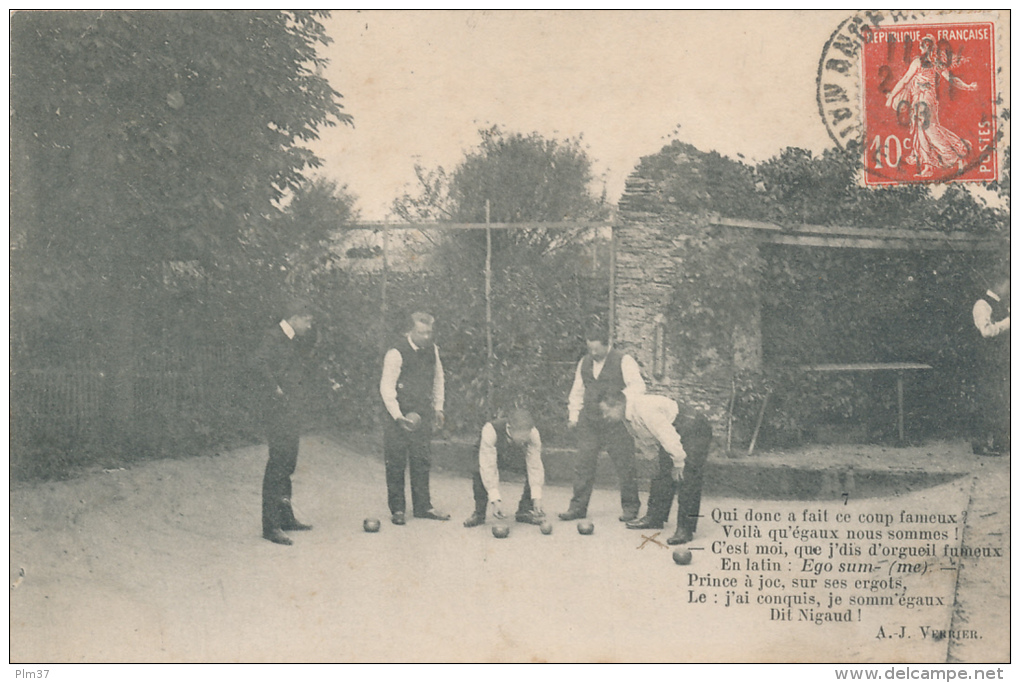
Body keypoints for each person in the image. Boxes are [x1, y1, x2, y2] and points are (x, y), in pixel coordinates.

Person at [598, 390, 713, 546]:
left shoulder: (644, 408)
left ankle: (685, 529)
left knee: (687, 475)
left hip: (693, 426)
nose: (605, 417)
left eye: (606, 412)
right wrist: (652, 459)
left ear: (618, 404)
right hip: (673, 429)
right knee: (661, 472)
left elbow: (666, 434)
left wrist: (679, 461)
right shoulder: (627, 416)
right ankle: (655, 517)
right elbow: (644, 438)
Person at [559, 323, 646, 523]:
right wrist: (573, 416)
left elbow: (639, 387)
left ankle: (631, 507)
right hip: (589, 421)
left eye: (597, 349)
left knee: (625, 465)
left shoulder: (624, 361)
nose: (593, 353)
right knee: (583, 464)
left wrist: (619, 401)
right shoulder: (584, 362)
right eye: (590, 349)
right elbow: (578, 390)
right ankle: (577, 507)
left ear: (607, 345)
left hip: (615, 422)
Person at [254, 298, 318, 546]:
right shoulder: (274, 336)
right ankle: (270, 526)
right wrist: (275, 388)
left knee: (288, 463)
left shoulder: (293, 339)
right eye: (307, 320)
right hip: (278, 411)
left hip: (291, 410)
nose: (310, 326)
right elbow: (258, 363)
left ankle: (285, 517)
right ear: (294, 318)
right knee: (278, 464)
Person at [380, 311, 450, 524]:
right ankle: (398, 509)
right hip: (398, 415)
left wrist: (438, 407)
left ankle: (423, 506)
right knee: (396, 462)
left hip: (422, 414)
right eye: (421, 332)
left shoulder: (433, 350)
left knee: (421, 461)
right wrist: (398, 416)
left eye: (429, 332)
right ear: (410, 331)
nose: (426, 337)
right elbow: (386, 388)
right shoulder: (395, 353)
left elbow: (439, 379)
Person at [885, 34, 978, 178]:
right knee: (925, 129)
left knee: (927, 130)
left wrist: (891, 96)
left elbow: (904, 81)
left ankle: (951, 155)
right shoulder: (936, 62)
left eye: (922, 46)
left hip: (922, 101)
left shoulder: (918, 62)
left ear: (922, 47)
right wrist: (968, 87)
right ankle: (930, 163)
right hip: (930, 101)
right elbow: (952, 79)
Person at [463, 408, 546, 528]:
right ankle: (479, 514)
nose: (525, 439)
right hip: (487, 454)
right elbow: (488, 466)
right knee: (479, 470)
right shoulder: (490, 430)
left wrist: (536, 497)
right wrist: (495, 499)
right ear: (510, 428)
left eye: (526, 435)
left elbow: (535, 466)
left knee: (532, 467)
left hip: (513, 454)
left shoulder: (533, 434)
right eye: (522, 435)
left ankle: (525, 510)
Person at [971, 275, 1010, 455]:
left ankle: (1001, 443)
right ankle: (981, 444)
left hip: (1001, 362)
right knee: (986, 401)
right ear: (998, 283)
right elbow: (986, 331)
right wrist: (1008, 322)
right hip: (986, 362)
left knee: (1001, 401)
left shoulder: (1004, 305)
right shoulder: (982, 304)